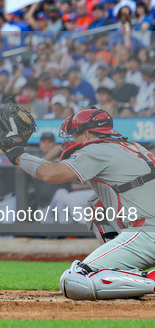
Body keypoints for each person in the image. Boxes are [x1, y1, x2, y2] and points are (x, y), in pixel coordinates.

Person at [9, 108, 155, 300]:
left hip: (147, 234)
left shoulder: (97, 149)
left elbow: (50, 174)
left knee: (76, 279)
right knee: (97, 204)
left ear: (87, 133)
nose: (72, 139)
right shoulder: (132, 147)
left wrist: (17, 154)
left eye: (75, 134)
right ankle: (118, 268)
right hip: (147, 232)